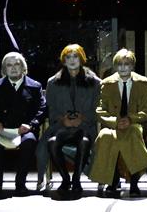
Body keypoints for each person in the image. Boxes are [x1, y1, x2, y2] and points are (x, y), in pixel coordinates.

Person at [89, 48, 147, 198]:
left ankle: (134, 182)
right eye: (120, 64)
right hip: (113, 125)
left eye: (127, 64)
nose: (123, 67)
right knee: (105, 136)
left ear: (132, 66)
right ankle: (112, 180)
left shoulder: (143, 84)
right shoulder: (107, 84)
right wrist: (114, 122)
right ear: (115, 66)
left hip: (134, 123)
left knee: (133, 134)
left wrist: (131, 119)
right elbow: (100, 109)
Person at [0, 52, 46, 197]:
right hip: (2, 128)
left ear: (23, 67)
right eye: (9, 65)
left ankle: (20, 184)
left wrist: (31, 125)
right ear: (4, 69)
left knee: (29, 141)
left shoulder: (35, 87)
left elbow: (42, 109)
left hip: (24, 129)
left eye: (17, 64)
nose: (13, 68)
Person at [38, 44, 100, 196]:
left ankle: (76, 180)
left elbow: (98, 109)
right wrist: (62, 120)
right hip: (61, 126)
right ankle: (65, 179)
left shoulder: (95, 82)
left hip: (85, 127)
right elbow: (51, 109)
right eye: (68, 57)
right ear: (63, 60)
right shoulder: (53, 82)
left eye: (75, 56)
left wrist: (83, 118)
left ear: (82, 58)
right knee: (52, 142)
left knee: (84, 141)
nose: (72, 60)